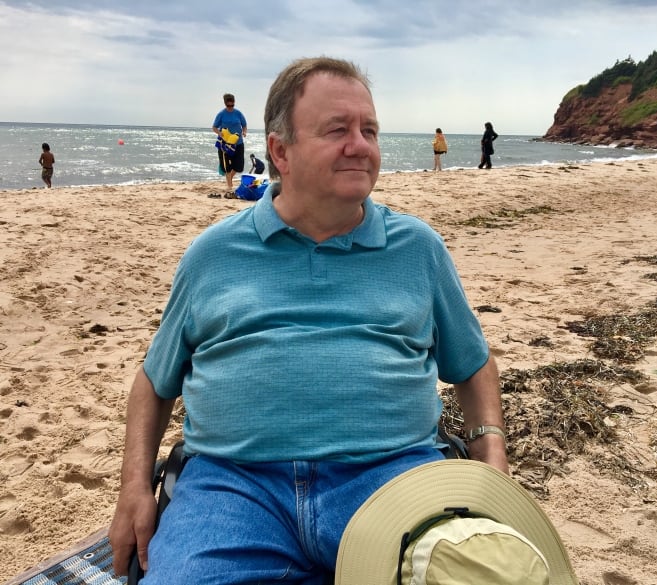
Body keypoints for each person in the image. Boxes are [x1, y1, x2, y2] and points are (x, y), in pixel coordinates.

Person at [109, 56, 507, 584]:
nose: (360, 145)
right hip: (234, 488)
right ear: (280, 151)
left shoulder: (418, 249)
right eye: (337, 130)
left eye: (369, 130)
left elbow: (473, 366)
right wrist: (134, 488)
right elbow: (154, 381)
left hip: (392, 479)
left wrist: (491, 458)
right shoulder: (213, 255)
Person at [212, 93, 247, 193]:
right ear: (225, 104)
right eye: (228, 105)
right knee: (227, 167)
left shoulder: (238, 113)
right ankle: (229, 186)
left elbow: (244, 125)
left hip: (238, 143)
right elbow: (214, 127)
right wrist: (219, 133)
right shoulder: (221, 114)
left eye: (232, 105)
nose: (230, 107)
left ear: (234, 103)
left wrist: (244, 132)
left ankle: (229, 180)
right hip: (225, 144)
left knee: (239, 166)